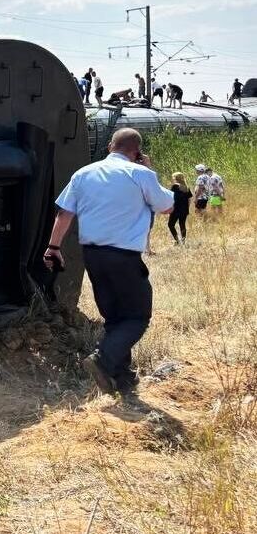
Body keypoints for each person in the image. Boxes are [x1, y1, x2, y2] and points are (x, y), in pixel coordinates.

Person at [43, 128, 173, 397]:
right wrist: (150, 170)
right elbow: (167, 207)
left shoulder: (84, 174)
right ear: (137, 153)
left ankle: (120, 377)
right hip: (123, 256)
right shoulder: (140, 174)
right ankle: (102, 359)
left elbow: (64, 213)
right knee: (138, 316)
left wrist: (53, 247)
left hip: (93, 255)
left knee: (115, 316)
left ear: (109, 147)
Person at [168, 172, 192, 244]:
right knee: (182, 224)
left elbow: (171, 197)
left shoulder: (175, 186)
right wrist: (187, 207)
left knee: (170, 224)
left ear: (176, 178)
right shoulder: (186, 187)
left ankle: (177, 240)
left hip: (175, 209)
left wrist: (170, 207)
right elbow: (189, 200)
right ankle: (183, 241)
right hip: (184, 209)